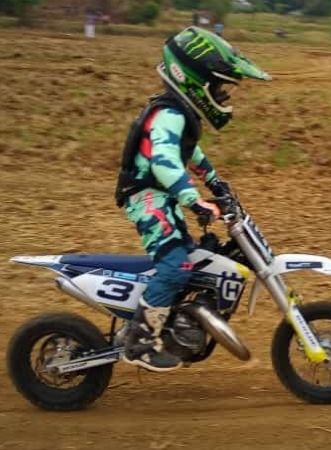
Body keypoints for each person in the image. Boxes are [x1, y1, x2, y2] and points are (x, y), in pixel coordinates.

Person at [114, 26, 272, 371]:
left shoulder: (178, 115)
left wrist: (214, 181)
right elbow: (165, 161)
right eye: (219, 87)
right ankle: (140, 341)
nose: (224, 96)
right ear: (196, 82)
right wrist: (194, 199)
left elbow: (190, 154)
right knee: (177, 266)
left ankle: (176, 320)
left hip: (160, 197)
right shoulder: (168, 115)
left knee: (192, 256)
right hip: (146, 198)